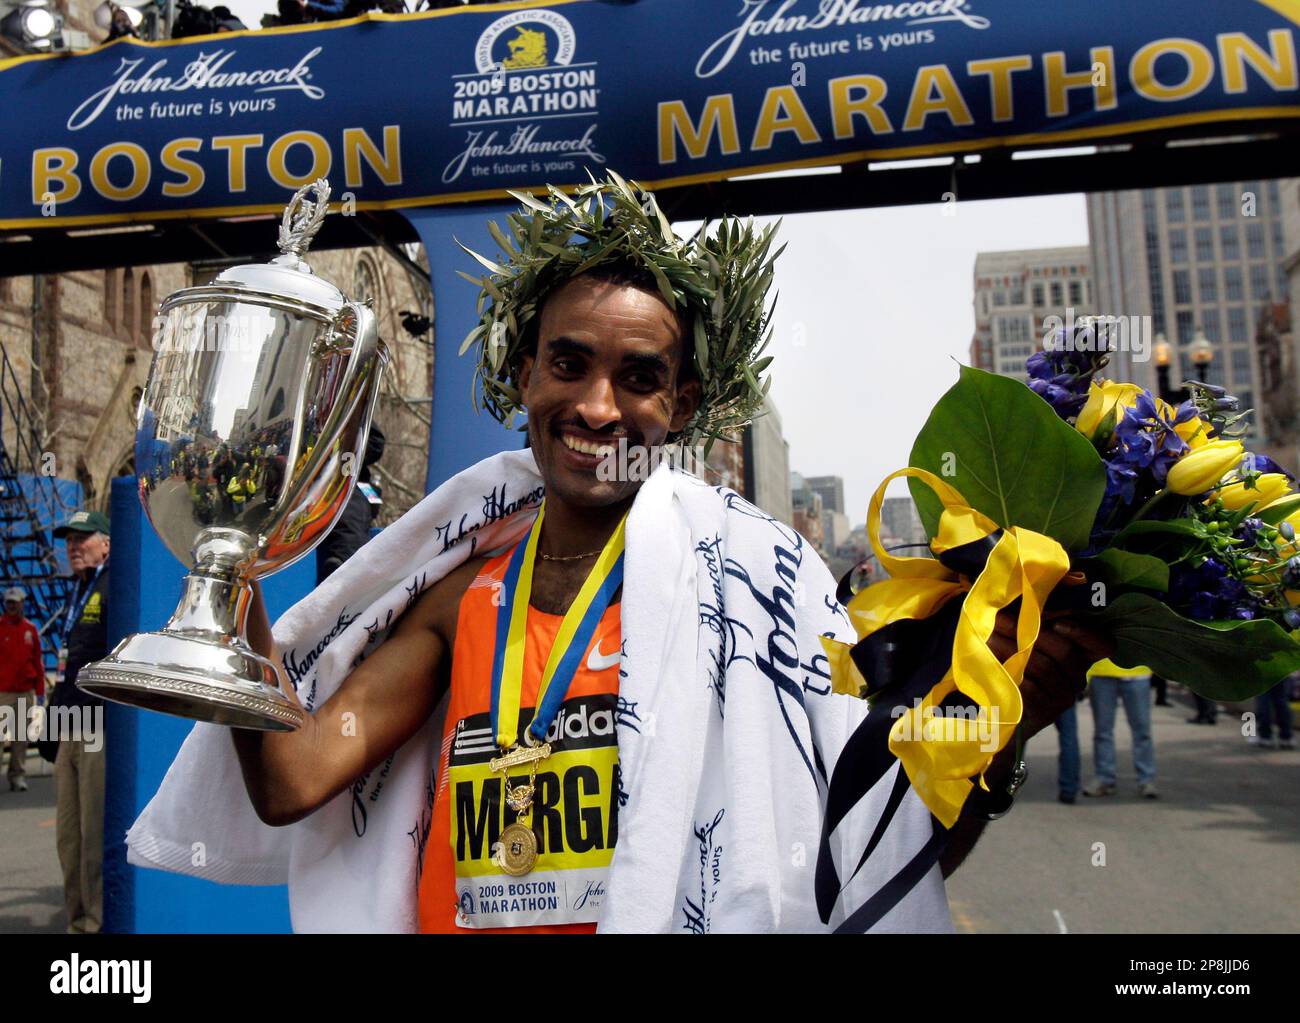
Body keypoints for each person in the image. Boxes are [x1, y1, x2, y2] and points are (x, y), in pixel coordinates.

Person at [146, 176, 1108, 932]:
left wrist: (1005, 735)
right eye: (569, 363)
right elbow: (292, 780)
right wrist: (230, 562)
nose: (598, 407)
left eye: (639, 378)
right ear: (525, 375)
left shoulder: (750, 600)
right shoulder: (463, 596)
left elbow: (861, 863)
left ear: (682, 407)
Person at [49, 509, 111, 934]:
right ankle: (76, 921)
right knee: (68, 837)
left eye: (83, 538)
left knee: (92, 836)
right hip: (69, 724)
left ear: (106, 543)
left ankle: (95, 924)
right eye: (69, 539)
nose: (73, 546)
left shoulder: (114, 587)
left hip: (96, 726)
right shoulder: (77, 589)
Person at [315, 424, 385, 584]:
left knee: (349, 509)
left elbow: (376, 443)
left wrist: (345, 453)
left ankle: (346, 569)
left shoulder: (350, 410)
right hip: (306, 484)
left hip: (348, 483)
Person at [1083, 658, 1157, 799]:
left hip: (1138, 672)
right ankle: (1105, 778)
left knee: (1142, 731)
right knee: (1102, 731)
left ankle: (1146, 779)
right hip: (1101, 672)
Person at [0, 586, 45, 792]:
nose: (11, 606)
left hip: (25, 691)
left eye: (14, 603)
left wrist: (40, 691)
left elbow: (37, 661)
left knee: (20, 737)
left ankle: (17, 775)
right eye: (8, 603)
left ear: (21, 604)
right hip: (3, 691)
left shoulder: (30, 629)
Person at [1249, 674, 1295, 750]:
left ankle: (1265, 736)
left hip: (1262, 671)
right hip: (1280, 669)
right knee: (1281, 700)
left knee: (1263, 700)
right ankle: (1286, 737)